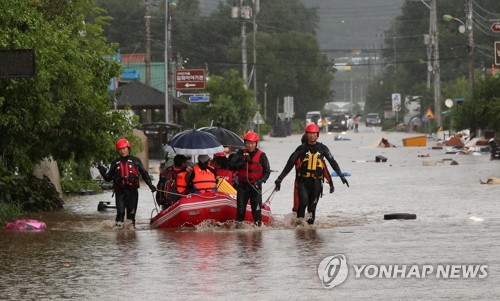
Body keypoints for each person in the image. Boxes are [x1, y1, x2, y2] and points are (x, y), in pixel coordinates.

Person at [274, 124, 349, 225]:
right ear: (306, 135)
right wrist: (280, 179)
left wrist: (341, 176)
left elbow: (332, 162)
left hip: (316, 183)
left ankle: (310, 232)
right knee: (303, 203)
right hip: (303, 182)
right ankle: (300, 230)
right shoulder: (301, 149)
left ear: (317, 135)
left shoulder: (323, 148)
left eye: (314, 133)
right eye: (310, 133)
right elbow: (290, 164)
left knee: (312, 208)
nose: (312, 135)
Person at [98, 138, 156, 228]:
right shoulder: (115, 162)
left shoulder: (136, 161)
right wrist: (102, 170)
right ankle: (119, 237)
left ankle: (131, 238)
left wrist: (150, 185)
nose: (122, 151)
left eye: (124, 148)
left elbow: (144, 174)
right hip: (120, 192)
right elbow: (108, 178)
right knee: (120, 214)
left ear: (128, 148)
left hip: (132, 192)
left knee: (131, 217)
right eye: (120, 149)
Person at [228, 131, 271, 227]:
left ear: (256, 143)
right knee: (240, 213)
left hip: (256, 188)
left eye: (252, 143)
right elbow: (230, 166)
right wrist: (242, 163)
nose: (250, 146)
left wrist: (260, 181)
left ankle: (257, 236)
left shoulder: (262, 155)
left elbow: (267, 171)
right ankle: (240, 235)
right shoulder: (240, 153)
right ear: (245, 143)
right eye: (248, 143)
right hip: (243, 187)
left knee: (256, 214)